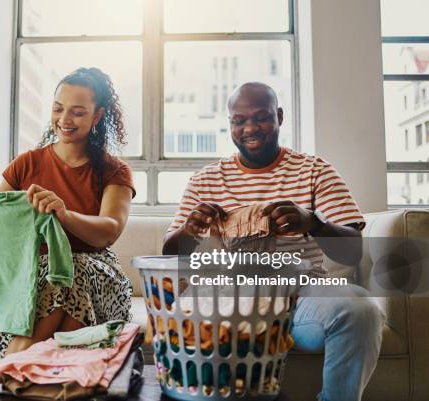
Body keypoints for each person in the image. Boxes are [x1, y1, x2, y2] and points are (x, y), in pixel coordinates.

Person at [162, 82, 385, 401]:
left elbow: (351, 251)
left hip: (300, 298)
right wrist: (189, 230)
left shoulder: (314, 170)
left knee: (360, 309)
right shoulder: (206, 180)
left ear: (279, 116)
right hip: (227, 299)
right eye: (239, 120)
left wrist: (314, 222)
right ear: (229, 124)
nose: (250, 128)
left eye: (261, 117)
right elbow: (169, 253)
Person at [0, 67, 135, 399]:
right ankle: (15, 389)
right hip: (33, 277)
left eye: (78, 112)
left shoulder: (113, 170)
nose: (65, 118)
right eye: (58, 108)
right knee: (53, 288)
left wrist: (63, 214)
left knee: (68, 276)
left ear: (98, 115)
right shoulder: (26, 164)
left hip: (96, 274)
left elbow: (109, 231)